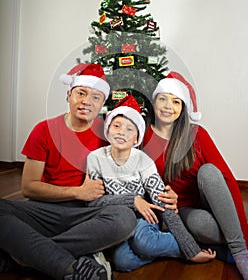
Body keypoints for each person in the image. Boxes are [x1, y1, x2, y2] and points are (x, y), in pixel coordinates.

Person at [0, 63, 138, 280]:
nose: (86, 101)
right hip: (44, 210)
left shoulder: (108, 133)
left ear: (102, 103)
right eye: (81, 93)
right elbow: (28, 187)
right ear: (69, 95)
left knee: (124, 219)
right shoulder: (43, 130)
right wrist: (77, 191)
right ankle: (71, 262)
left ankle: (27, 256)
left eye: (95, 97)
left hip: (86, 214)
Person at [86, 94, 216, 271]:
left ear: (136, 138)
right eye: (116, 126)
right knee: (123, 262)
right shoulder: (95, 159)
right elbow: (93, 202)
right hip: (116, 219)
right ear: (108, 131)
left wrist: (190, 250)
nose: (122, 132)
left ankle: (191, 246)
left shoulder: (143, 161)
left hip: (144, 217)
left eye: (130, 129)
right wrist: (132, 200)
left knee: (144, 243)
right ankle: (172, 247)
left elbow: (162, 200)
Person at [141, 71, 248, 280]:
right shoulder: (142, 134)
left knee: (209, 172)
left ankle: (239, 251)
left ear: (182, 109)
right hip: (183, 211)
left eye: (175, 102)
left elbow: (226, 180)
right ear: (154, 101)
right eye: (162, 99)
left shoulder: (196, 134)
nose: (167, 106)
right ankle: (228, 242)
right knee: (198, 225)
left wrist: (243, 238)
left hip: (211, 199)